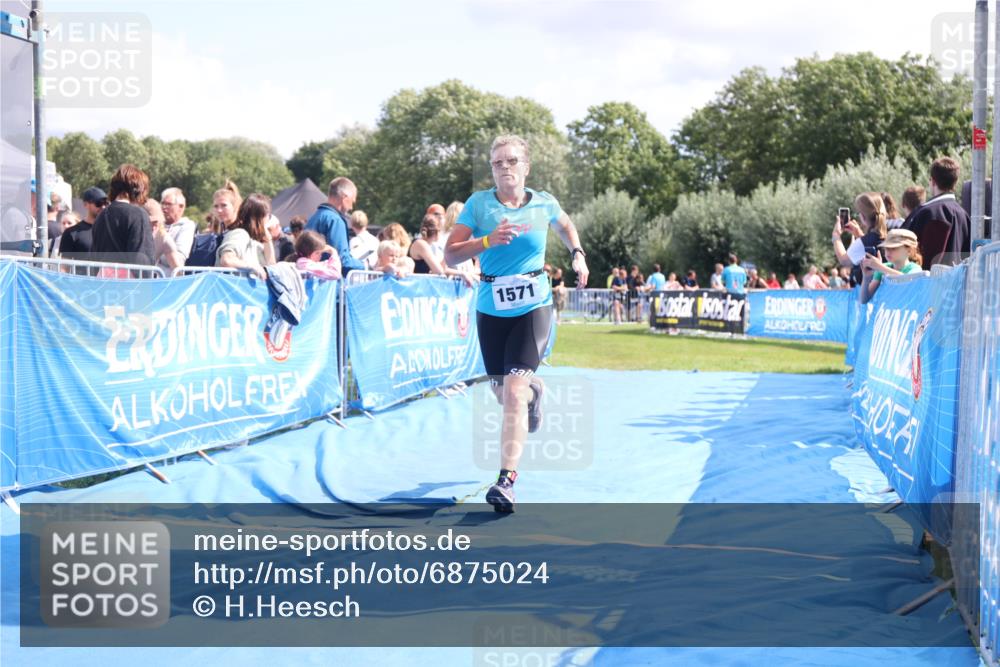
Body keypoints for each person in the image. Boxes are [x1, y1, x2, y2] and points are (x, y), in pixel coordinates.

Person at [444, 134, 588, 513]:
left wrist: (578, 254)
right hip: (491, 308)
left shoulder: (543, 203)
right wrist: (487, 241)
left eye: (511, 161)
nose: (504, 168)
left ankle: (506, 480)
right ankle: (535, 393)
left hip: (534, 306)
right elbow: (450, 254)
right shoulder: (478, 205)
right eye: (497, 163)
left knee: (511, 394)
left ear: (526, 166)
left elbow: (566, 226)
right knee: (503, 394)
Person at [902, 157, 970, 268]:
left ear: (932, 181)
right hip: (958, 283)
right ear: (955, 182)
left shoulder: (925, 213)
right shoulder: (964, 215)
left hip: (928, 282)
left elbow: (902, 248)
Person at [90, 164, 156, 266]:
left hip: (102, 279)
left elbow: (94, 254)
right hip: (128, 281)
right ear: (139, 189)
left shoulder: (101, 215)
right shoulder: (138, 214)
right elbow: (143, 261)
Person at [306, 177, 365, 275]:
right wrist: (364, 265)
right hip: (328, 285)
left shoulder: (315, 217)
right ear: (345, 198)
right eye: (352, 201)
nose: (351, 207)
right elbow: (341, 260)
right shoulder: (335, 220)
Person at [216, 193, 276, 280]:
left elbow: (271, 268)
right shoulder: (240, 234)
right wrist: (252, 267)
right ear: (261, 217)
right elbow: (227, 260)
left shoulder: (257, 242)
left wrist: (268, 239)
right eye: (268, 216)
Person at [832, 192, 887, 285]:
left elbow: (844, 260)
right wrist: (859, 234)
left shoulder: (863, 243)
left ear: (863, 217)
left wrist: (836, 236)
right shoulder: (888, 235)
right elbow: (872, 243)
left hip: (872, 295)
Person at [409, 213, 476, 284]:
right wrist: (462, 273)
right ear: (438, 231)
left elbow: (441, 268)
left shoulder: (425, 244)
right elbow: (440, 271)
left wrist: (463, 273)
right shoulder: (421, 244)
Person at [860, 229, 923, 304]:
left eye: (893, 248)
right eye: (886, 248)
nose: (888, 251)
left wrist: (880, 267)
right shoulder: (883, 267)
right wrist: (866, 277)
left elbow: (907, 280)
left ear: (909, 250)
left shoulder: (915, 268)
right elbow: (864, 300)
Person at [59, 186, 105, 263]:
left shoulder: (110, 231)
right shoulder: (71, 233)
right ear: (86, 204)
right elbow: (64, 267)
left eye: (105, 203)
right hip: (81, 274)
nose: (103, 207)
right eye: (99, 203)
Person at [144, 199, 185, 272]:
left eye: (156, 222)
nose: (153, 227)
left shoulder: (163, 237)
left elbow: (178, 271)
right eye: (149, 222)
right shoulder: (130, 234)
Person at [161, 187, 197, 262]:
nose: (164, 207)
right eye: (163, 203)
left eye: (168, 204)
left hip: (169, 273)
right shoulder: (157, 225)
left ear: (181, 207)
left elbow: (179, 258)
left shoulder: (187, 226)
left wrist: (152, 256)